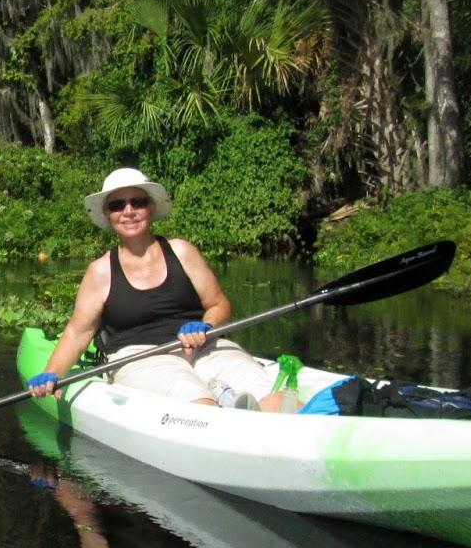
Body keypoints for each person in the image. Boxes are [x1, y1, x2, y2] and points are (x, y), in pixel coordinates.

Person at [25, 167, 281, 411]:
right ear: (107, 214)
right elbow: (78, 333)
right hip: (140, 357)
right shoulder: (100, 271)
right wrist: (52, 372)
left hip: (204, 346)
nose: (128, 211)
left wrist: (206, 325)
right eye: (117, 205)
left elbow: (219, 305)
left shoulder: (182, 251)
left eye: (138, 202)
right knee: (193, 397)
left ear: (151, 208)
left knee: (261, 389)